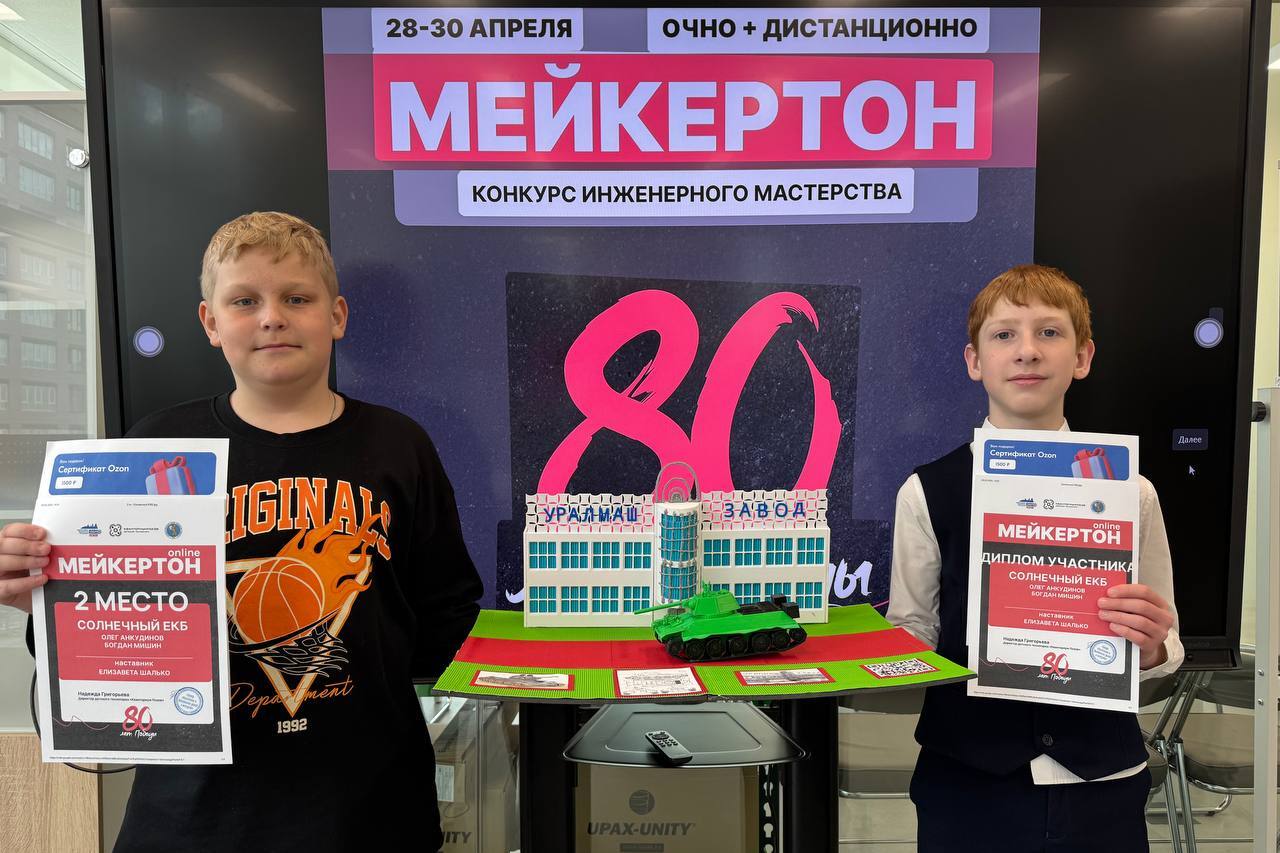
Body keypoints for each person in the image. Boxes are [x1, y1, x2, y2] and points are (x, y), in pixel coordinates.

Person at [0, 211, 483, 852]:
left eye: (297, 298)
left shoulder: (400, 445)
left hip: (368, 809)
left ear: (337, 316)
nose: (272, 317)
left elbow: (446, 612)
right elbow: (103, 631)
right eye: (245, 301)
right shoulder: (154, 448)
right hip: (193, 817)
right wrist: (43, 596)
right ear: (210, 323)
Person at [886, 263, 1182, 852]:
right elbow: (913, 631)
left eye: (1050, 332)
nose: (1027, 351)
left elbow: (1166, 648)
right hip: (968, 786)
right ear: (975, 361)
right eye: (1004, 335)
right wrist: (871, 657)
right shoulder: (925, 491)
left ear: (1082, 357)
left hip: (1103, 788)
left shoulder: (1133, 491)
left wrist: (1152, 646)